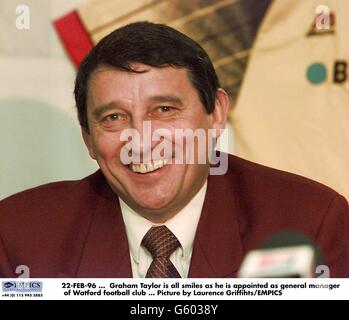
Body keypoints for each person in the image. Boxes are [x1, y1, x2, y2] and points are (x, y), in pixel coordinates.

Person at [0, 22, 348, 278]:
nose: (141, 139)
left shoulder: (311, 222)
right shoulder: (19, 236)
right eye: (114, 117)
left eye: (164, 110)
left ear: (216, 114)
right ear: (89, 139)